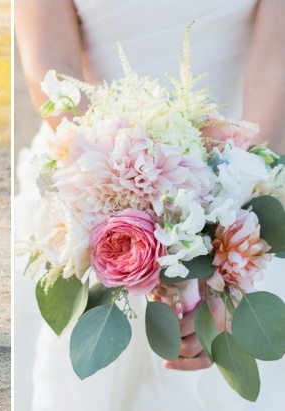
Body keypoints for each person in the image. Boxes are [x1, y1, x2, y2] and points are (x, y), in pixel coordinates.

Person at [14, 0, 285, 409]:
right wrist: (128, 206)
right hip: (93, 168)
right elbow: (50, 63)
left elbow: (275, 66)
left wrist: (225, 237)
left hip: (241, 165)